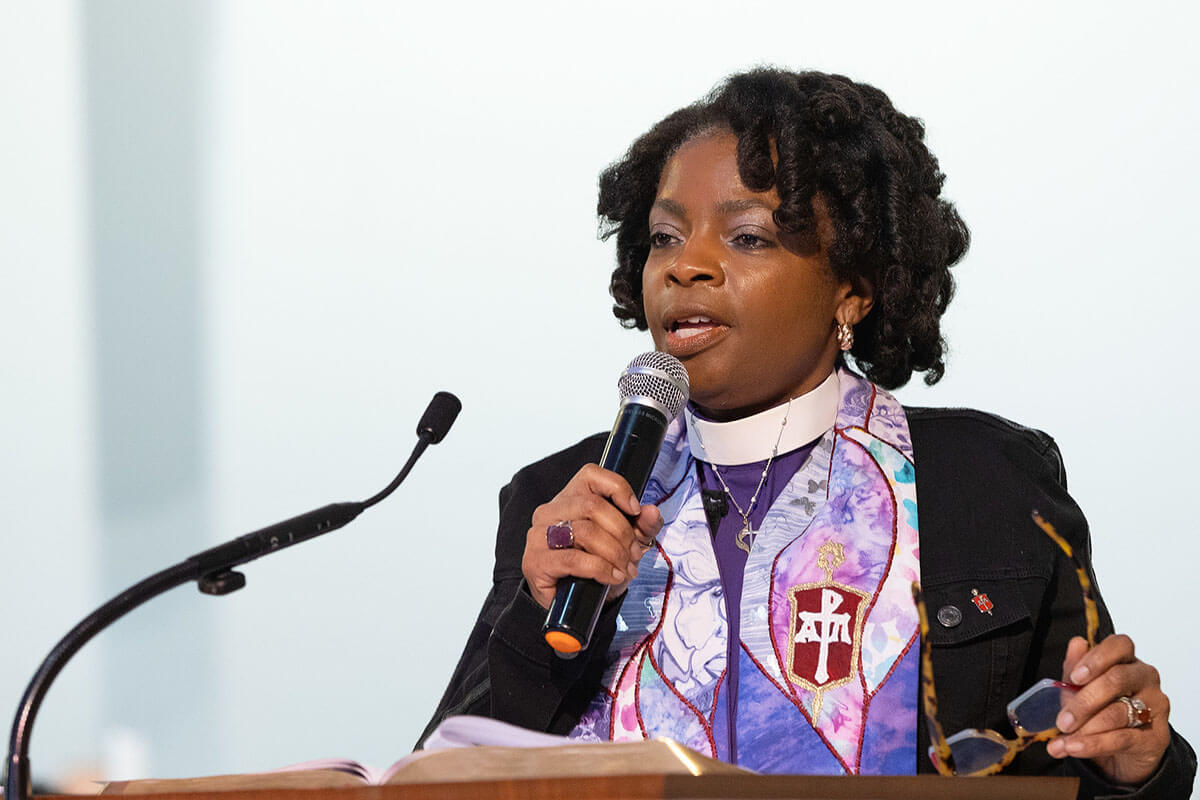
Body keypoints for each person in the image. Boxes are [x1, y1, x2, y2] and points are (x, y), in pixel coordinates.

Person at [420, 68, 1195, 796]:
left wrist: (1138, 761)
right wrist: (536, 609)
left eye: (747, 236)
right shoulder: (560, 497)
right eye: (663, 237)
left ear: (853, 290)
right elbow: (436, 774)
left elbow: (1080, 745)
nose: (686, 266)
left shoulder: (984, 481)